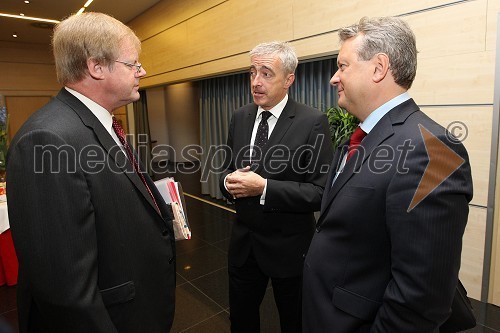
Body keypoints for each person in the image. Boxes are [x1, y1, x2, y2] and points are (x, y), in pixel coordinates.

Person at [7, 12, 176, 333]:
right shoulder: (47, 140)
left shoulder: (101, 122)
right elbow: (64, 289)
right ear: (96, 67)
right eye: (133, 64)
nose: (142, 71)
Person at [302, 16, 473, 332]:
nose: (333, 78)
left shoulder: (434, 151)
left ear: (379, 68)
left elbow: (421, 298)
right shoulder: (359, 137)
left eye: (343, 66)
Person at [219, 41, 333, 333]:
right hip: (244, 247)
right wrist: (227, 182)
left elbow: (320, 193)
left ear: (289, 79)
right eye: (252, 72)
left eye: (267, 74)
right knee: (241, 322)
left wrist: (265, 188)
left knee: (294, 323)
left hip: (290, 249)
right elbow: (227, 170)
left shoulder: (313, 122)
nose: (256, 82)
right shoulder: (239, 117)